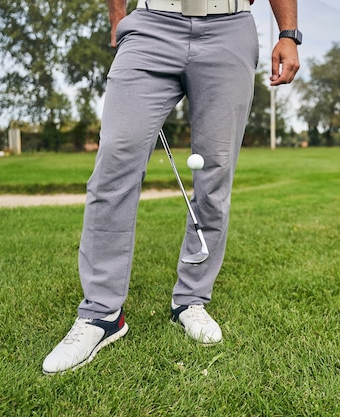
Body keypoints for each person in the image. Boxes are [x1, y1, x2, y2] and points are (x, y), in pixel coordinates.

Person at [42, 0, 301, 374]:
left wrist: (288, 34)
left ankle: (190, 300)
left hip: (229, 29)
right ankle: (101, 313)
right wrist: (118, 18)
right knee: (114, 165)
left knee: (215, 174)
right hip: (151, 25)